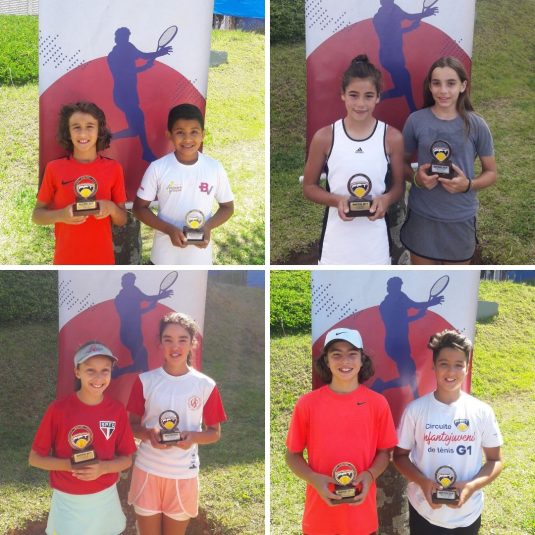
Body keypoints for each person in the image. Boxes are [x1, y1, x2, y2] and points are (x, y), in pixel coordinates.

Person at [286, 328, 397, 535]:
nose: (345, 361)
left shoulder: (378, 403)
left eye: (352, 354)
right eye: (336, 354)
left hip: (362, 520)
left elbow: (384, 452)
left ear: (362, 360)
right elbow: (292, 455)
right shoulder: (307, 404)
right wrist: (314, 479)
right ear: (326, 361)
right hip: (319, 519)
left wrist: (370, 475)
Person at [127, 312, 227, 535]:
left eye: (182, 339)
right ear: (160, 343)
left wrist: (192, 438)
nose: (175, 346)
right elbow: (131, 426)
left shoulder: (205, 385)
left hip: (183, 475)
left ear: (193, 343)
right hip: (147, 471)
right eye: (168, 339)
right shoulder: (145, 381)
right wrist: (149, 434)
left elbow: (214, 432)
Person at [394, 330, 503, 534]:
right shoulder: (415, 410)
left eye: (459, 365)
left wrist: (470, 486)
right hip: (423, 511)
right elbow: (399, 456)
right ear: (434, 366)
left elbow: (495, 460)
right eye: (444, 364)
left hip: (468, 515)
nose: (451, 372)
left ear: (467, 367)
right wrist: (423, 482)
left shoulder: (482, 411)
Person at [302, 54, 405, 265]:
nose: (360, 103)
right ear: (343, 95)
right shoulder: (325, 137)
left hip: (375, 245)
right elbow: (309, 187)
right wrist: (337, 201)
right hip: (335, 246)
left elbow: (399, 187)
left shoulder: (392, 137)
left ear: (378, 97)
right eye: (353, 95)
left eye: (368, 96)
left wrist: (386, 200)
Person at [29, 342, 136, 535]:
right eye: (90, 370)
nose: (98, 378)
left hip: (105, 497)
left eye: (105, 370)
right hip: (68, 500)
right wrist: (70, 466)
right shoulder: (58, 410)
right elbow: (35, 459)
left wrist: (103, 468)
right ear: (77, 372)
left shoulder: (117, 410)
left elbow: (126, 459)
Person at [400, 56, 498, 265]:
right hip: (423, 215)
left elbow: (491, 173)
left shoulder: (477, 125)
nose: (443, 90)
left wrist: (468, 184)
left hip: (460, 217)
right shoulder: (416, 121)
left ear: (463, 86)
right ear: (430, 86)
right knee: (423, 280)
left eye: (451, 83)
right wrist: (417, 179)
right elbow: (401, 163)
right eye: (437, 83)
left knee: (455, 280)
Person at [133, 103, 234, 265]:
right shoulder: (157, 168)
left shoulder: (214, 167)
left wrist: (207, 227)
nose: (187, 139)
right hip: (163, 257)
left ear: (203, 135)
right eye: (180, 132)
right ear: (169, 135)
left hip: (199, 259)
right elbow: (139, 209)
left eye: (194, 132)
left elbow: (228, 207)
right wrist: (169, 230)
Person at [33, 101, 127, 265]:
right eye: (76, 127)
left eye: (90, 126)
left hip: (102, 260)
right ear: (68, 133)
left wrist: (111, 208)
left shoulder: (114, 168)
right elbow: (37, 216)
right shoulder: (54, 168)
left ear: (99, 131)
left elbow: (122, 219)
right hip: (66, 260)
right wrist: (61, 215)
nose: (83, 134)